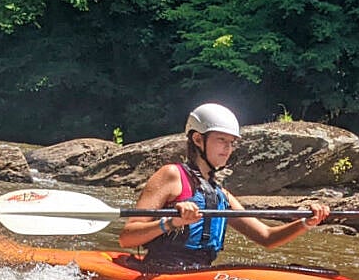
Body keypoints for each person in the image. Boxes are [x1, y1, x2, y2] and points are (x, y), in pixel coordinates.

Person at [118, 103, 330, 269]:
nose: (228, 149)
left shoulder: (222, 196)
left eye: (231, 143)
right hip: (161, 269)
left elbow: (267, 237)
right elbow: (127, 237)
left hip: (199, 271)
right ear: (198, 139)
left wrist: (306, 223)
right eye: (221, 140)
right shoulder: (171, 175)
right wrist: (172, 222)